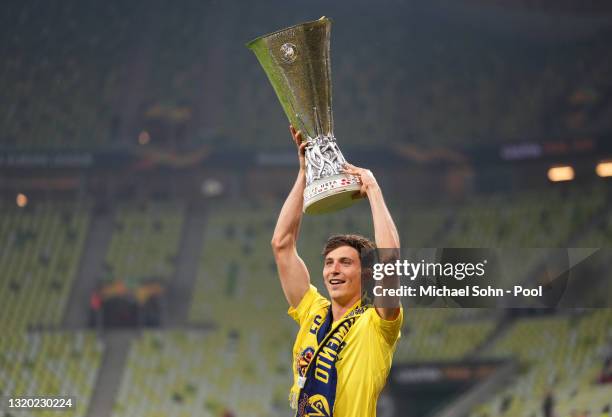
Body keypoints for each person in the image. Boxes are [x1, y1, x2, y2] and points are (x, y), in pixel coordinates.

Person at [271, 125, 403, 417]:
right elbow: (282, 245)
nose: (334, 269)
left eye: (345, 262)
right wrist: (304, 174)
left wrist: (372, 188)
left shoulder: (378, 323)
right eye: (329, 262)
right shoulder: (313, 313)